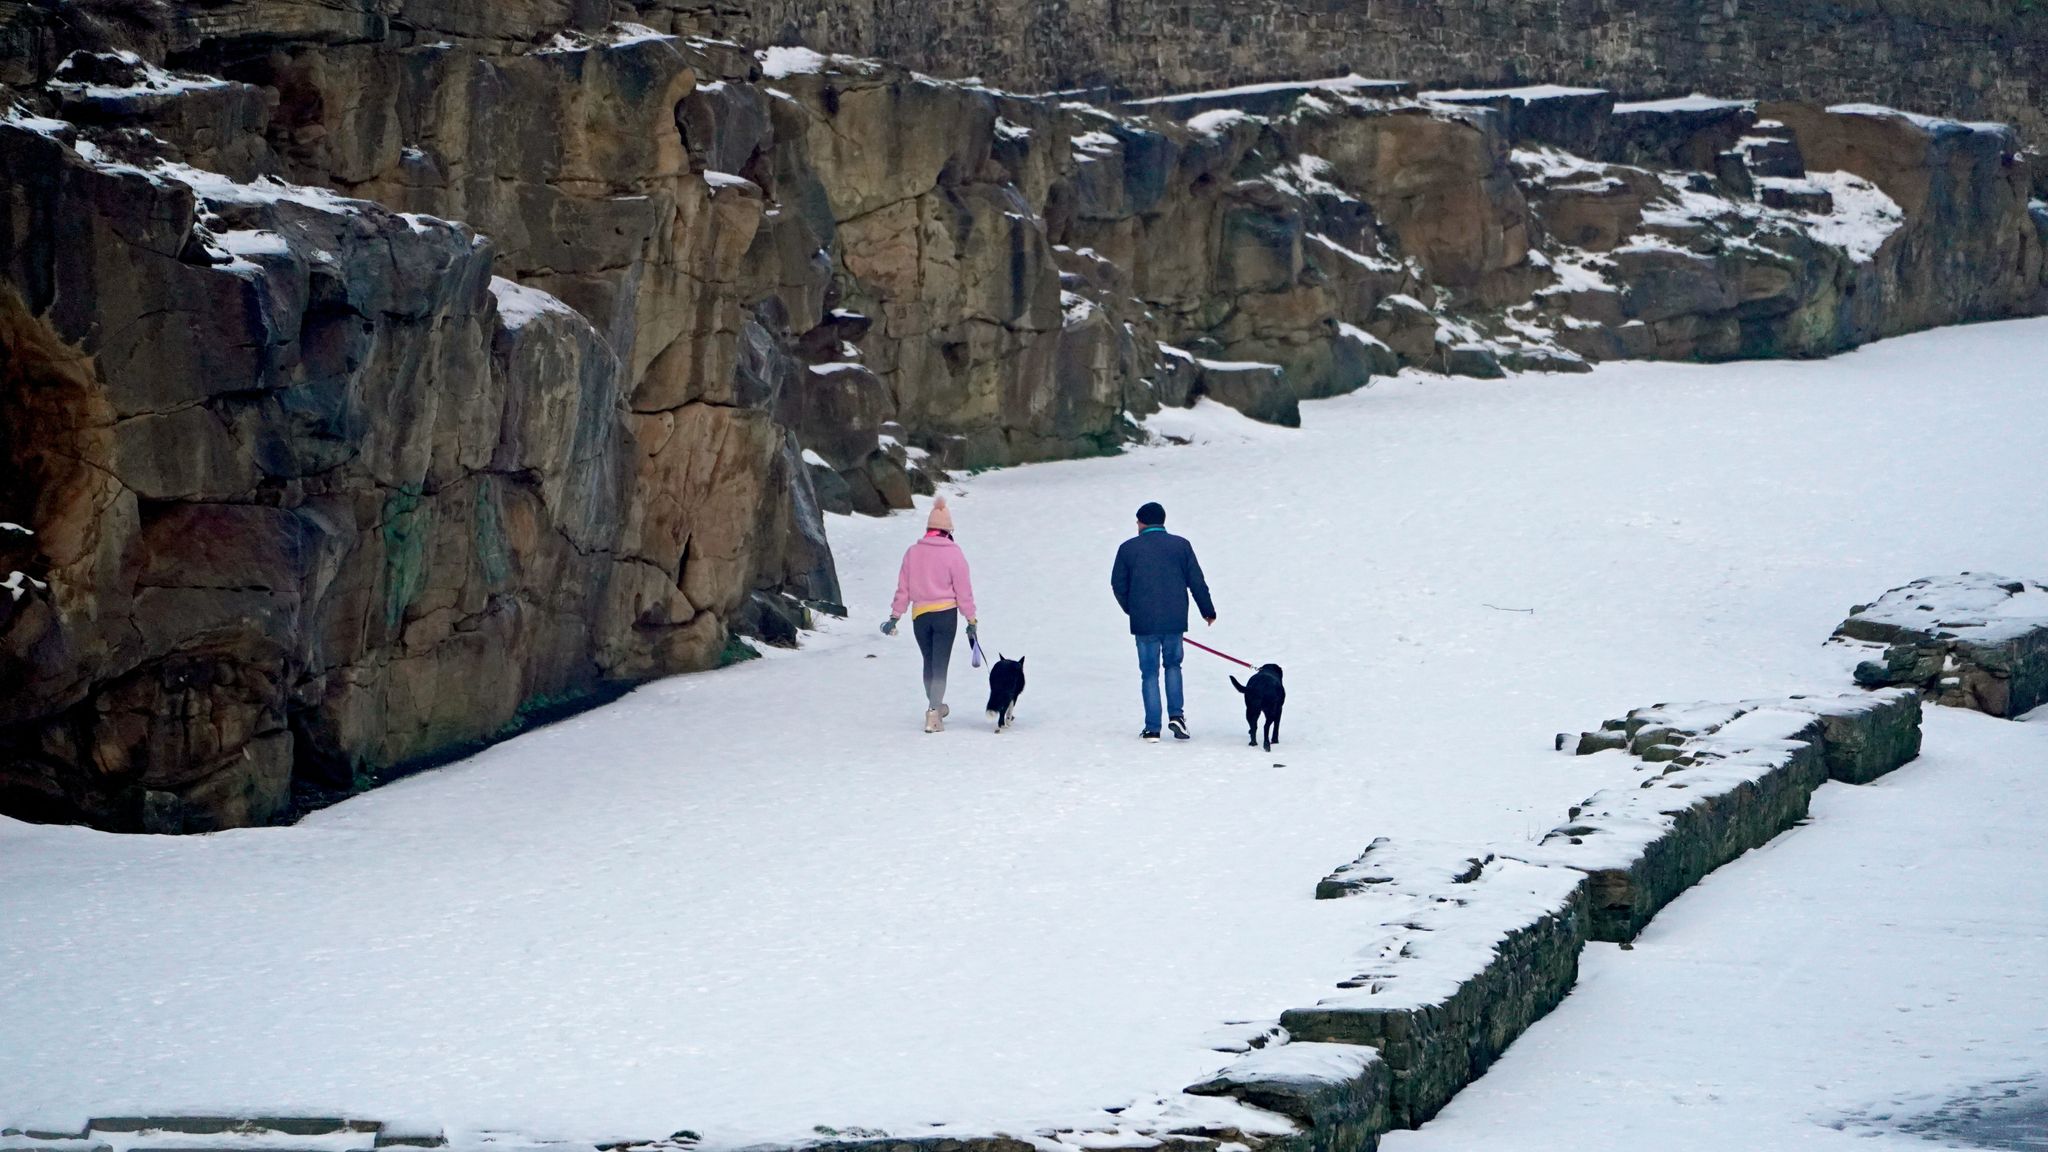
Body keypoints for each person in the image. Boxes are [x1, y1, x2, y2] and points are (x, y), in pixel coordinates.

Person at [1110, 501, 1215, 742]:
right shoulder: (1181, 546)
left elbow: (1118, 584)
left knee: (1149, 673)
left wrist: (1132, 609)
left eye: (1137, 521)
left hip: (1144, 623)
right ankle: (1177, 716)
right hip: (1175, 620)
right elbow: (1196, 580)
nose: (1136, 525)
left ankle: (1152, 728)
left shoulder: (1128, 549)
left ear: (1143, 522)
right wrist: (1207, 610)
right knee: (1173, 666)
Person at [882, 497, 978, 733]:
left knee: (929, 661)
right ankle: (934, 712)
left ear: (928, 530)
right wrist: (971, 619)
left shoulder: (912, 553)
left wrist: (895, 616)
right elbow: (963, 591)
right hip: (945, 615)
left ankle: (935, 705)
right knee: (941, 663)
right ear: (948, 531)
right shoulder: (954, 554)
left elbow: (903, 589)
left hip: (920, 616)